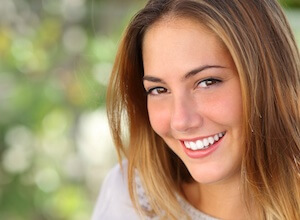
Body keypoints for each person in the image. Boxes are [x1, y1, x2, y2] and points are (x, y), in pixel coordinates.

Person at [92, 0, 300, 219]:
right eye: (159, 89)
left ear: (268, 81)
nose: (180, 121)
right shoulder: (128, 199)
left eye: (207, 82)